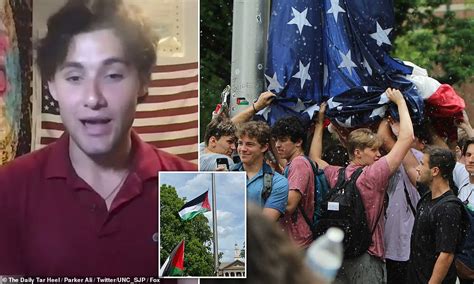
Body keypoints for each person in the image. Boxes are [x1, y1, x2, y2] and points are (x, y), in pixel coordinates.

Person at [0, 0, 196, 277]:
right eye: (74, 77)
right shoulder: (8, 188)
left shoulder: (197, 187)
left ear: (142, 81)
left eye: (113, 75)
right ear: (52, 85)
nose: (93, 98)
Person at [310, 88, 415, 284]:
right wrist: (400, 102)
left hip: (339, 258)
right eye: (373, 150)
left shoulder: (337, 175)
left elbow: (315, 158)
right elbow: (407, 138)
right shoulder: (373, 175)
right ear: (357, 152)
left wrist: (319, 124)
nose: (378, 155)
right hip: (367, 257)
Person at [408, 147, 466, 284]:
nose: (418, 168)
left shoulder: (449, 208)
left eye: (422, 164)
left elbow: (446, 254)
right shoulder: (428, 197)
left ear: (435, 171)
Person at [271, 116, 314, 249]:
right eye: (276, 140)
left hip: (298, 243)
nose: (278, 145)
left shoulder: (298, 164)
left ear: (298, 142)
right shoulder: (293, 163)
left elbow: (290, 204)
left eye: (283, 140)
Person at [232, 121, 288, 221]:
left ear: (264, 147)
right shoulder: (227, 175)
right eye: (240, 143)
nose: (243, 149)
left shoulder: (278, 182)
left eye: (249, 144)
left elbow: (265, 224)